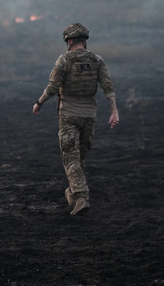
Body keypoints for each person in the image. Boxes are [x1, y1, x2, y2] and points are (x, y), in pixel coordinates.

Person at [33, 22, 119, 216]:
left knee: (70, 157)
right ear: (84, 41)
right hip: (89, 116)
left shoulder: (64, 60)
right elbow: (107, 86)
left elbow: (53, 86)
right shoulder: (97, 60)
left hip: (69, 115)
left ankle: (81, 196)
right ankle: (72, 193)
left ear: (69, 41)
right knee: (78, 158)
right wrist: (114, 111)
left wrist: (39, 102)